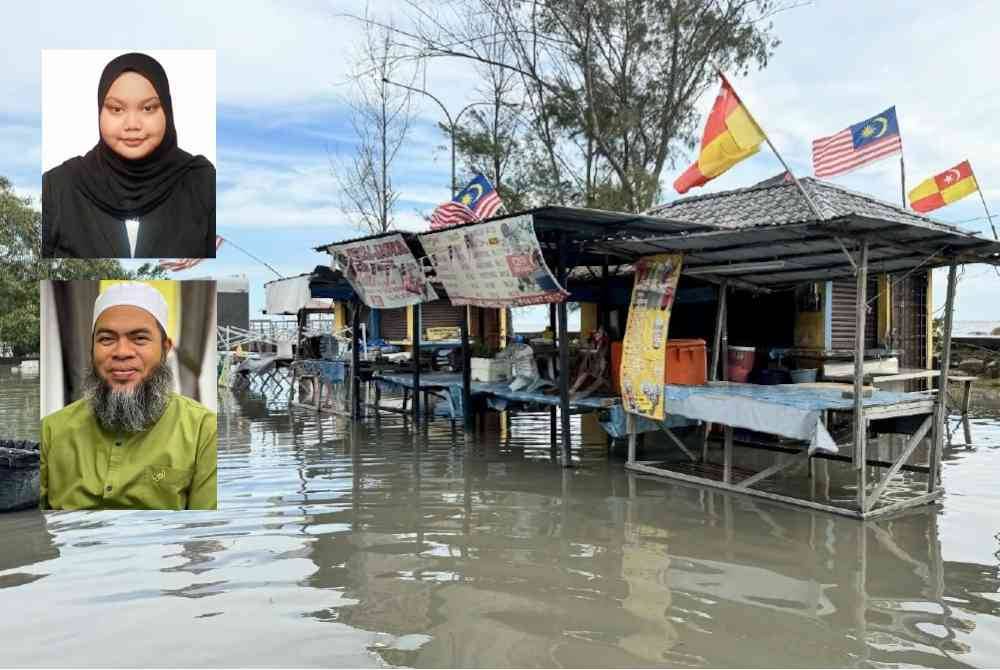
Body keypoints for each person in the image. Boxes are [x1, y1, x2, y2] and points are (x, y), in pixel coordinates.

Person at [40, 283, 217, 510]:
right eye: (106, 339)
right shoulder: (51, 431)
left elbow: (204, 534)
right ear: (91, 349)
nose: (122, 352)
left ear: (165, 348)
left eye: (139, 338)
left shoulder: (204, 431)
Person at [42, 52, 215, 259]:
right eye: (116, 109)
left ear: (167, 111)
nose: (132, 124)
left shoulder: (202, 182)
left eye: (148, 108)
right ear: (100, 111)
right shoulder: (58, 186)